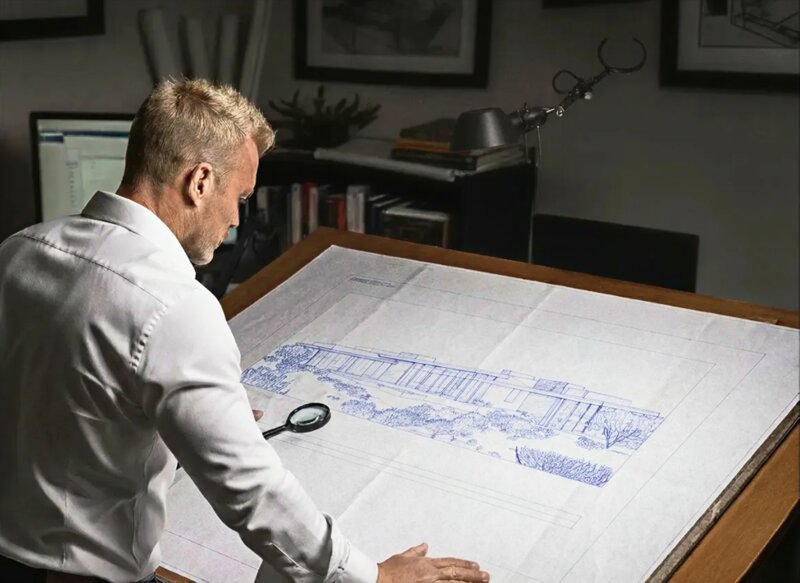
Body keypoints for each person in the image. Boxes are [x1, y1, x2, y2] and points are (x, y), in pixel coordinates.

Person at [0, 79, 489, 583]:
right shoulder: (176, 306)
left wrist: (199, 421)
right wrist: (373, 577)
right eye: (240, 196)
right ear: (200, 181)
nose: (236, 219)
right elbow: (253, 492)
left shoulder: (20, 250)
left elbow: (61, 395)